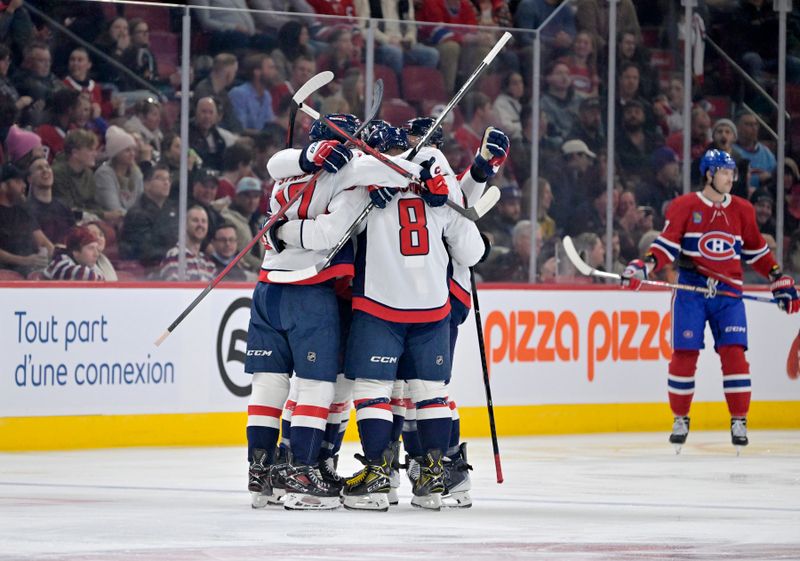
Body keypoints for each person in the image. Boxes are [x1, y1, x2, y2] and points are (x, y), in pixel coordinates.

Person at [243, 113, 426, 510]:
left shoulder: (288, 172)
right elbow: (400, 172)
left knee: (269, 385)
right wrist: (393, 151)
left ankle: (262, 473)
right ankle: (303, 471)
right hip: (311, 290)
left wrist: (277, 231)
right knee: (317, 387)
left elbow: (278, 161)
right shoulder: (347, 172)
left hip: (268, 286)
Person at [620, 149, 800, 451]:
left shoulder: (743, 209)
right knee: (685, 354)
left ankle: (739, 419)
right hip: (692, 292)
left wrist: (777, 278)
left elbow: (757, 252)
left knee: (734, 355)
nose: (731, 177)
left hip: (729, 295)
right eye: (725, 171)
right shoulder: (685, 205)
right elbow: (667, 245)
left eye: (732, 172)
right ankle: (680, 417)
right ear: (709, 174)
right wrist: (645, 264)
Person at [118, 162, 178, 277]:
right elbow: (146, 251)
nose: (166, 183)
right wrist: (175, 253)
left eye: (168, 179)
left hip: (172, 264)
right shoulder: (138, 214)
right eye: (160, 178)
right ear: (146, 185)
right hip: (150, 271)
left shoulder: (173, 209)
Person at [0, 162, 53, 276]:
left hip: (30, 271)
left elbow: (43, 241)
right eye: (18, 182)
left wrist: (52, 255)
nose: (24, 186)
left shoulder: (23, 210)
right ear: (3, 186)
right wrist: (24, 260)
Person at [24, 157, 74, 245]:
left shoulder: (63, 206)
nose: (45, 170)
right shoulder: (27, 210)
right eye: (39, 168)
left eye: (47, 167)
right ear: (30, 179)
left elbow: (75, 234)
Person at [95, 125, 143, 216]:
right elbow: (113, 208)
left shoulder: (136, 172)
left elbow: (141, 202)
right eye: (127, 150)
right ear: (116, 153)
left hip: (133, 220)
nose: (132, 154)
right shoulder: (104, 174)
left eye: (133, 149)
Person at [159, 205, 217, 282]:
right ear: (184, 225)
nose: (200, 225)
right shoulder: (174, 255)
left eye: (204, 221)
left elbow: (215, 292)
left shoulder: (208, 263)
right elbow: (176, 290)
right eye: (195, 220)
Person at [220, 176, 264, 274]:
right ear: (237, 197)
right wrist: (264, 267)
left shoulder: (257, 222)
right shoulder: (227, 218)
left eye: (256, 196)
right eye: (247, 196)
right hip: (237, 274)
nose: (252, 201)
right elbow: (241, 254)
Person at [228, 53, 276, 134]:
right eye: (270, 68)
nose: (274, 72)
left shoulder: (267, 96)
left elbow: (269, 122)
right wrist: (262, 135)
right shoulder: (239, 94)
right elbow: (239, 128)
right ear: (257, 72)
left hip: (261, 142)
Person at [734, 112, 776, 190]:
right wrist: (757, 180)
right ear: (737, 128)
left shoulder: (767, 153)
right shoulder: (730, 151)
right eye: (748, 124)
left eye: (755, 124)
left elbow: (775, 177)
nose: (754, 128)